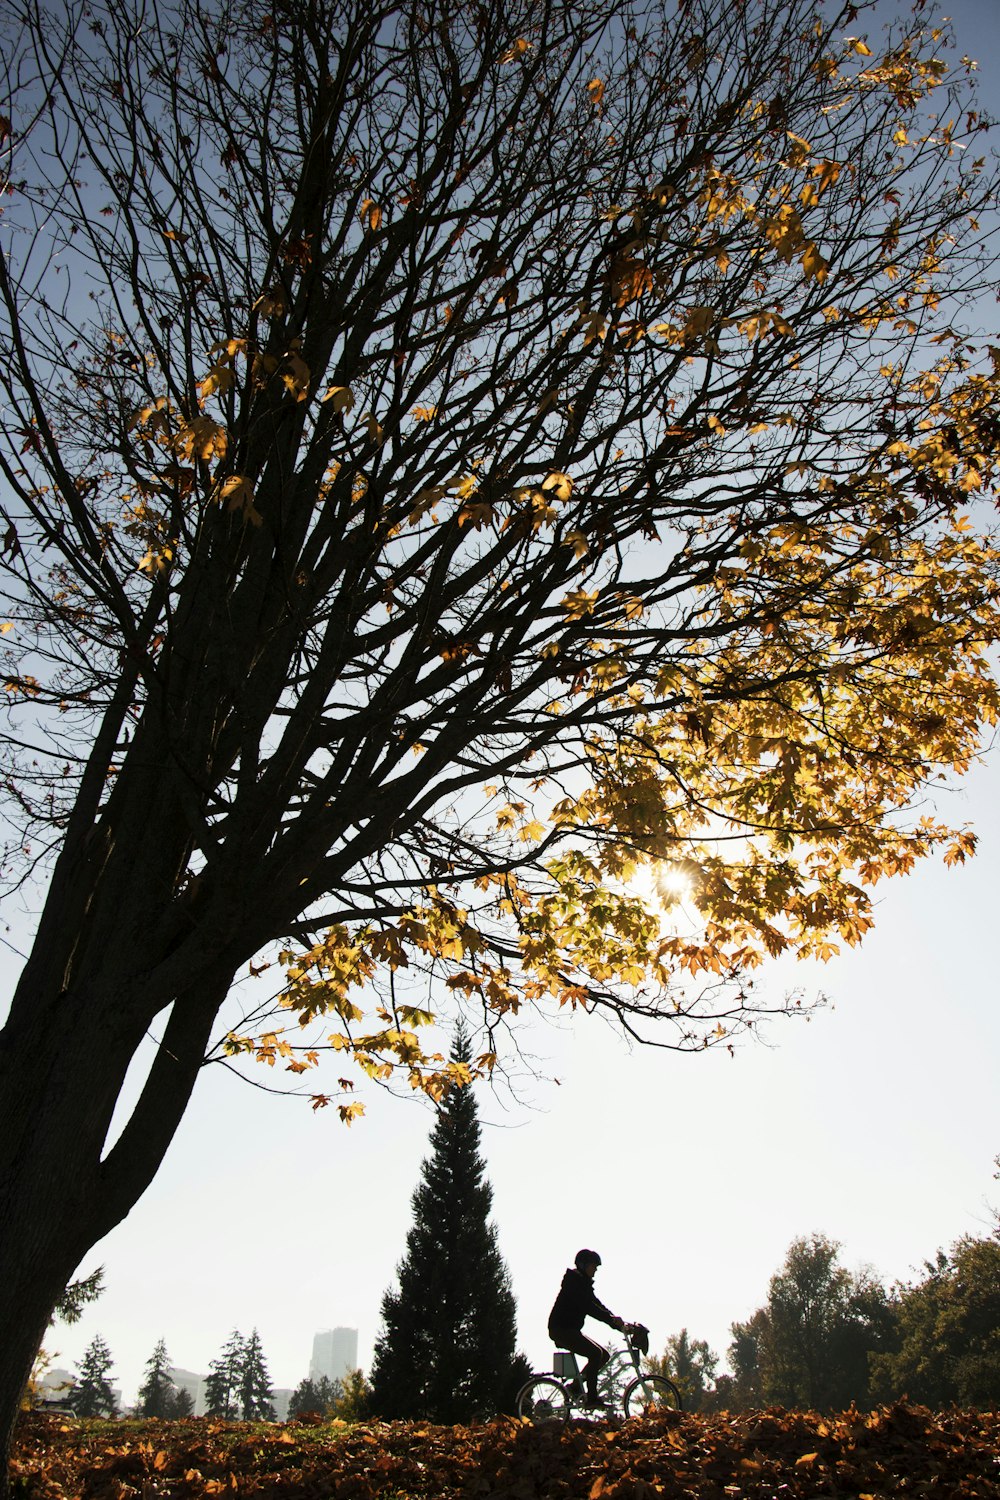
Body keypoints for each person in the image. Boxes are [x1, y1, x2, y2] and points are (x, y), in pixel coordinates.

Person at [548, 1248, 625, 1408]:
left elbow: (597, 1305)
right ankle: (591, 1399)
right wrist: (610, 1320)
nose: (595, 1270)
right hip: (561, 1329)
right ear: (583, 1265)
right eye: (593, 1266)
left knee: (603, 1355)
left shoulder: (582, 1284)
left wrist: (617, 1323)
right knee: (595, 1354)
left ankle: (575, 1387)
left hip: (570, 1330)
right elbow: (589, 1308)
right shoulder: (574, 1284)